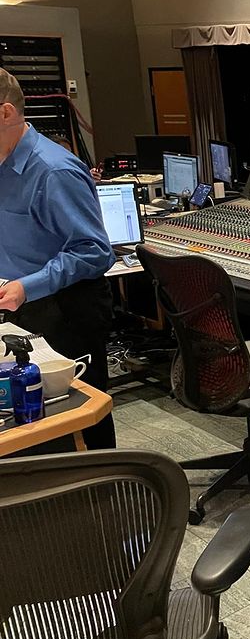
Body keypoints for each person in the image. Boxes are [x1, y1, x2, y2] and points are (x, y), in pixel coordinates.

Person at [0, 68, 116, 449]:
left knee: (77, 429)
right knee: (32, 429)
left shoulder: (55, 170)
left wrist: (27, 286)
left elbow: (95, 250)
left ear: (5, 113)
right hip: (21, 309)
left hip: (66, 309)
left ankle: (103, 486)